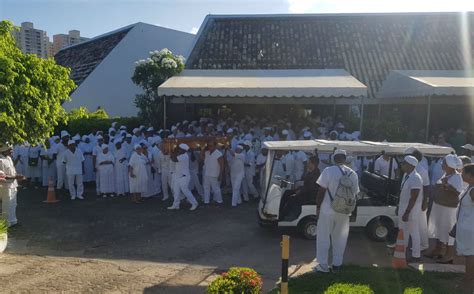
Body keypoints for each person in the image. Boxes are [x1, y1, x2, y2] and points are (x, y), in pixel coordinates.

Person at [315, 149, 359, 273]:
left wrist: (318, 207)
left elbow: (321, 191)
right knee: (340, 238)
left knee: (323, 237)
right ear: (345, 159)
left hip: (327, 210)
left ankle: (323, 265)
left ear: (334, 159)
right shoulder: (353, 174)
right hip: (344, 212)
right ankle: (337, 265)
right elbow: (355, 195)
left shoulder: (328, 171)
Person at [425, 154, 464, 263]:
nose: (442, 164)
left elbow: (458, 192)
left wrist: (447, 186)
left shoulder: (457, 177)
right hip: (439, 206)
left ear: (450, 165)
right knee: (438, 228)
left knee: (448, 230)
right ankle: (438, 250)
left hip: (448, 209)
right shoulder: (446, 175)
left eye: (444, 163)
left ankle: (449, 255)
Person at [398, 156, 423, 262]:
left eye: (404, 163)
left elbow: (414, 197)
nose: (402, 165)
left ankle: (416, 255)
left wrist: (407, 212)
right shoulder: (406, 175)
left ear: (410, 165)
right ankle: (402, 250)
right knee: (404, 231)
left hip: (411, 209)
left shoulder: (416, 178)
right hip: (404, 207)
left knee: (413, 232)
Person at [454, 163, 474, 284]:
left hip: (470, 227)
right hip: (466, 225)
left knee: (470, 253)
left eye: (463, 172)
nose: (461, 174)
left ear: (470, 175)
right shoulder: (469, 188)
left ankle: (468, 278)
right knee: (469, 253)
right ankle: (469, 276)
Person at [168, 144, 199, 211]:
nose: (178, 150)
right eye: (178, 148)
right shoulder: (180, 155)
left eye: (180, 149)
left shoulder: (184, 156)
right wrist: (174, 152)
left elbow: (174, 159)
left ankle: (194, 203)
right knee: (176, 191)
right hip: (178, 176)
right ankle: (176, 205)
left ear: (184, 150)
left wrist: (173, 152)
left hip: (184, 177)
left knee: (185, 190)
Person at [0, 143, 24, 227]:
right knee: (6, 205)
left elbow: (13, 172)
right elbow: (2, 176)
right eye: (9, 149)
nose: (11, 151)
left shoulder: (9, 158)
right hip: (5, 186)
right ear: (4, 150)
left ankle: (13, 221)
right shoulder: (0, 160)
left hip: (13, 185)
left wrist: (17, 177)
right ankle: (5, 224)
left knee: (14, 203)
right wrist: (16, 177)